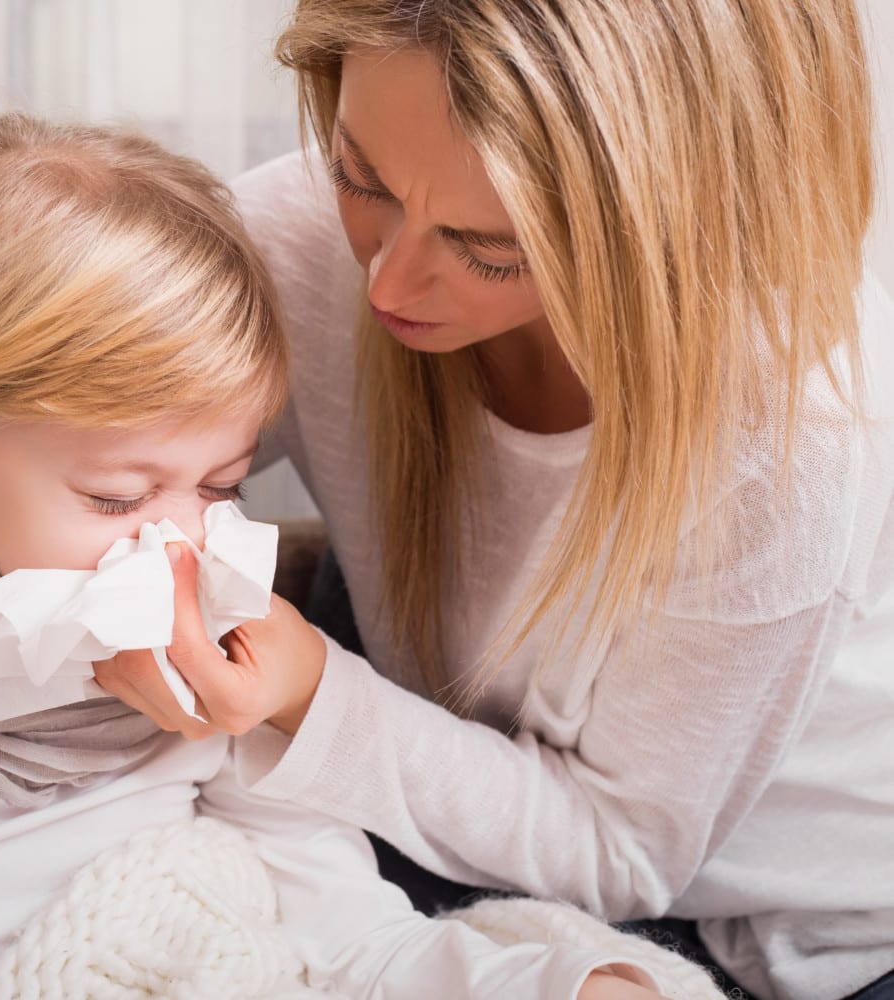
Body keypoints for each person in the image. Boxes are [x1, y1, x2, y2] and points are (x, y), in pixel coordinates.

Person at [0, 113, 705, 999]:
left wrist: (557, 986)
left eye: (218, 485)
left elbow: (345, 945)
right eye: (114, 495)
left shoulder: (214, 648)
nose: (177, 540)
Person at [93, 4, 894, 1000]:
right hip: (466, 780)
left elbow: (622, 851)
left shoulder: (797, 430)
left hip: (800, 938)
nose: (388, 277)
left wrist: (308, 694)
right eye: (361, 178)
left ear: (662, 219)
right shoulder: (295, 241)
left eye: (489, 246)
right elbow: (35, 433)